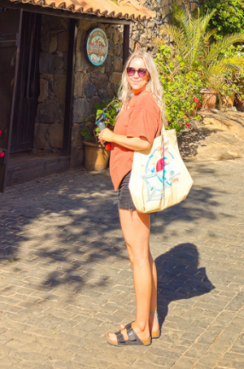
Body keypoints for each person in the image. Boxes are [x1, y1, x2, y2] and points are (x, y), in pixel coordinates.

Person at [99, 49, 165, 347]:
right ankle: (150, 321)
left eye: (142, 71)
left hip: (133, 180)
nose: (136, 75)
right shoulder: (133, 100)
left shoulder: (146, 101)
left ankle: (140, 327)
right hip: (128, 178)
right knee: (142, 252)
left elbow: (143, 142)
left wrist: (112, 137)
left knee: (136, 253)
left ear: (149, 75)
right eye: (131, 70)